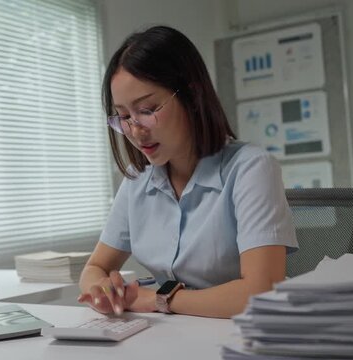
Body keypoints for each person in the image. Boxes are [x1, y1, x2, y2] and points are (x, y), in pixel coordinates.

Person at [77, 25, 298, 319]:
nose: (136, 130)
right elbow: (95, 268)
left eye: (147, 109)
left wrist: (158, 300)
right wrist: (103, 290)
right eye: (124, 116)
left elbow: (260, 292)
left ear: (192, 96)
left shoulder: (250, 169)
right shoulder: (138, 179)